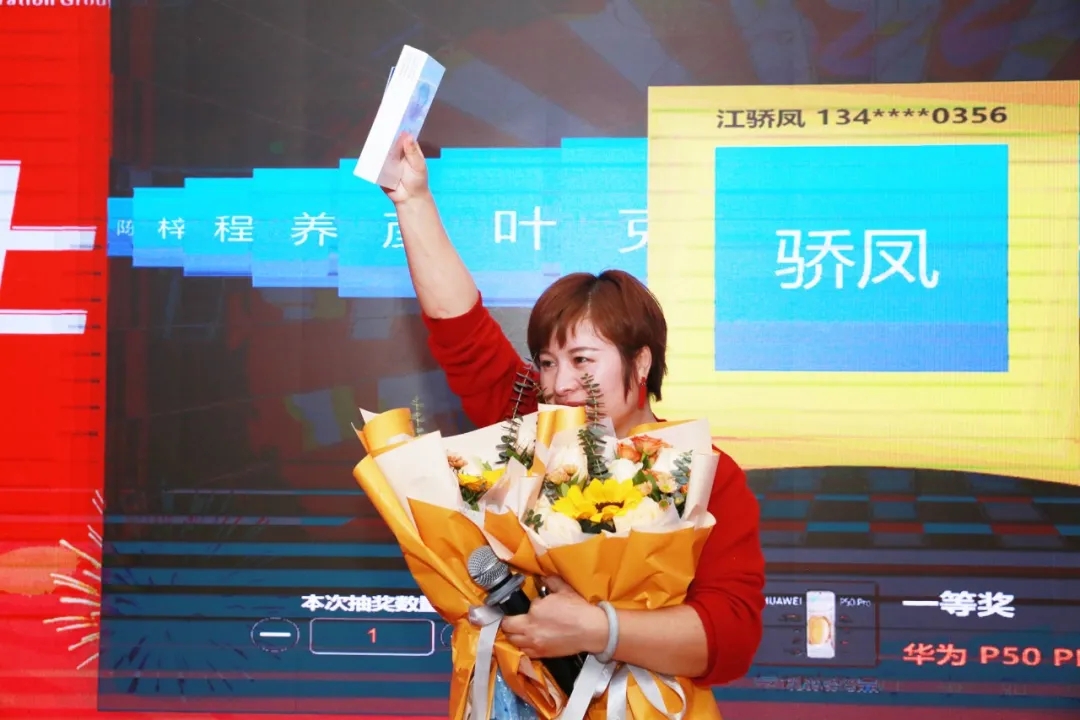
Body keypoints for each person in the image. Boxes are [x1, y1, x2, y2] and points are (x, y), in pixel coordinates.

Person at [386, 134, 765, 710]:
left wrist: (598, 629)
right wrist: (412, 199)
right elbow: (461, 332)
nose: (560, 382)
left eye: (583, 361)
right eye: (547, 362)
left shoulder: (705, 473)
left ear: (641, 361)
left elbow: (731, 638)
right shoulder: (527, 431)